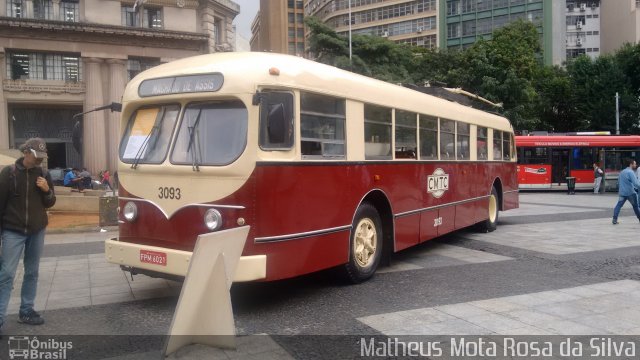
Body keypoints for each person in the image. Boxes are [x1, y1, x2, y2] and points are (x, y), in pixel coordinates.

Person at [0, 138, 56, 332]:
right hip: (12, 231)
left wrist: (47, 190)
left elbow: (50, 202)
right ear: (26, 152)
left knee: (32, 272)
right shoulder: (9, 173)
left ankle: (26, 311)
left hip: (36, 230)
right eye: (36, 156)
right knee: (6, 273)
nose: (40, 160)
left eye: (42, 156)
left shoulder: (43, 174)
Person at [612, 158, 640, 225]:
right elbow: (636, 183)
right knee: (635, 206)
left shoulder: (622, 172)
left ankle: (614, 219)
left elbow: (618, 182)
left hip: (622, 192)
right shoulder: (631, 172)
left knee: (618, 205)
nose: (635, 165)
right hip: (630, 192)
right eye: (634, 164)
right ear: (631, 164)